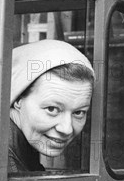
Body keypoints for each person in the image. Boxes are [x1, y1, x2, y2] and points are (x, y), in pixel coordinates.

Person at [8, 40, 95, 172]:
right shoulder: (4, 165)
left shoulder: (17, 145)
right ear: (18, 100)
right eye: (52, 109)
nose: (67, 129)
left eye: (78, 112)